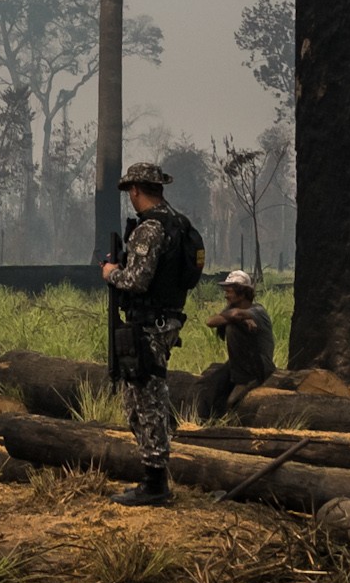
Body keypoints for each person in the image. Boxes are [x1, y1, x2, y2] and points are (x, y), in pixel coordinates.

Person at [101, 160, 204, 507]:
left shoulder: (151, 228)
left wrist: (112, 272)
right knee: (141, 398)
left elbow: (137, 280)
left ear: (135, 190)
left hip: (150, 324)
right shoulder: (178, 223)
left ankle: (155, 482)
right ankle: (152, 476)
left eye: (129, 191)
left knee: (148, 400)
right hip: (167, 321)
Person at [196, 269, 275, 422]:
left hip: (258, 366)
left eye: (229, 291)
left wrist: (238, 318)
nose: (226, 295)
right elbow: (210, 322)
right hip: (238, 365)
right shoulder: (231, 310)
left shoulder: (258, 311)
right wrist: (240, 319)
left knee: (233, 402)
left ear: (242, 292)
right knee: (207, 387)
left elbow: (235, 316)